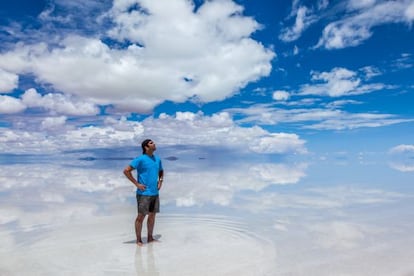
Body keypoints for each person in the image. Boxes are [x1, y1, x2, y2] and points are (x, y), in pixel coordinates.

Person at [123, 139, 164, 246]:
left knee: (152, 216)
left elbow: (161, 171)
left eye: (154, 142)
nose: (154, 143)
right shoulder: (140, 159)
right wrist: (137, 184)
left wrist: (160, 182)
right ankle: (138, 240)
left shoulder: (157, 159)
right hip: (144, 193)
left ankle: (150, 238)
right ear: (146, 147)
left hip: (155, 193)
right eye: (151, 143)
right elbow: (126, 171)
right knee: (141, 217)